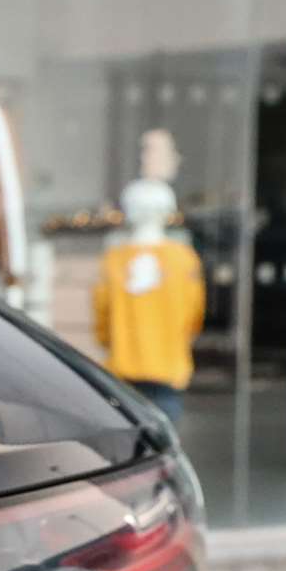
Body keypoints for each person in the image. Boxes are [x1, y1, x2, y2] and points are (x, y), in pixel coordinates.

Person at [94, 178, 204, 423]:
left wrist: (111, 342)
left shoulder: (115, 260)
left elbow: (102, 314)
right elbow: (194, 314)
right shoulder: (183, 258)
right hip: (168, 367)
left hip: (124, 366)